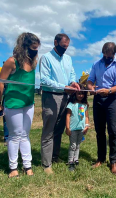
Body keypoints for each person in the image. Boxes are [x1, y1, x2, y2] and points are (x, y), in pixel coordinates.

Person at [0, 32, 40, 178]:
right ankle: (13, 167)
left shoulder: (33, 62)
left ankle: (27, 166)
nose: (35, 51)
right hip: (13, 103)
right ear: (24, 46)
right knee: (14, 136)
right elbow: (0, 83)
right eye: (33, 47)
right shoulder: (11, 62)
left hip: (28, 103)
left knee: (25, 135)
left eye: (37, 48)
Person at [40, 33, 79, 174]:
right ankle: (46, 164)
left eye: (67, 47)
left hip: (65, 97)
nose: (65, 49)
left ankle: (54, 156)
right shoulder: (46, 58)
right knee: (48, 130)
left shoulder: (68, 59)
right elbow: (44, 80)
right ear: (55, 42)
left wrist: (73, 83)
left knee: (59, 129)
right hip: (51, 96)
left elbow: (72, 75)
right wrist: (63, 87)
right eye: (63, 46)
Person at [87, 42, 116, 175]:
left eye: (110, 55)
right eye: (105, 54)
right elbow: (90, 80)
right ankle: (101, 158)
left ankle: (114, 161)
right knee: (99, 131)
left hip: (111, 99)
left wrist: (108, 91)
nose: (107, 57)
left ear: (114, 54)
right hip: (98, 99)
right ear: (102, 52)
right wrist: (91, 88)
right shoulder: (96, 64)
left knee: (113, 131)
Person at [65, 85, 89, 172]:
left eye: (82, 94)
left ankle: (76, 159)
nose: (81, 95)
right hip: (73, 129)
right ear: (75, 94)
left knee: (78, 145)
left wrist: (87, 126)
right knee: (73, 145)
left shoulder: (84, 105)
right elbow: (68, 116)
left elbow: (86, 116)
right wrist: (67, 128)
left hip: (81, 129)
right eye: (79, 93)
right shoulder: (71, 104)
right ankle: (70, 161)